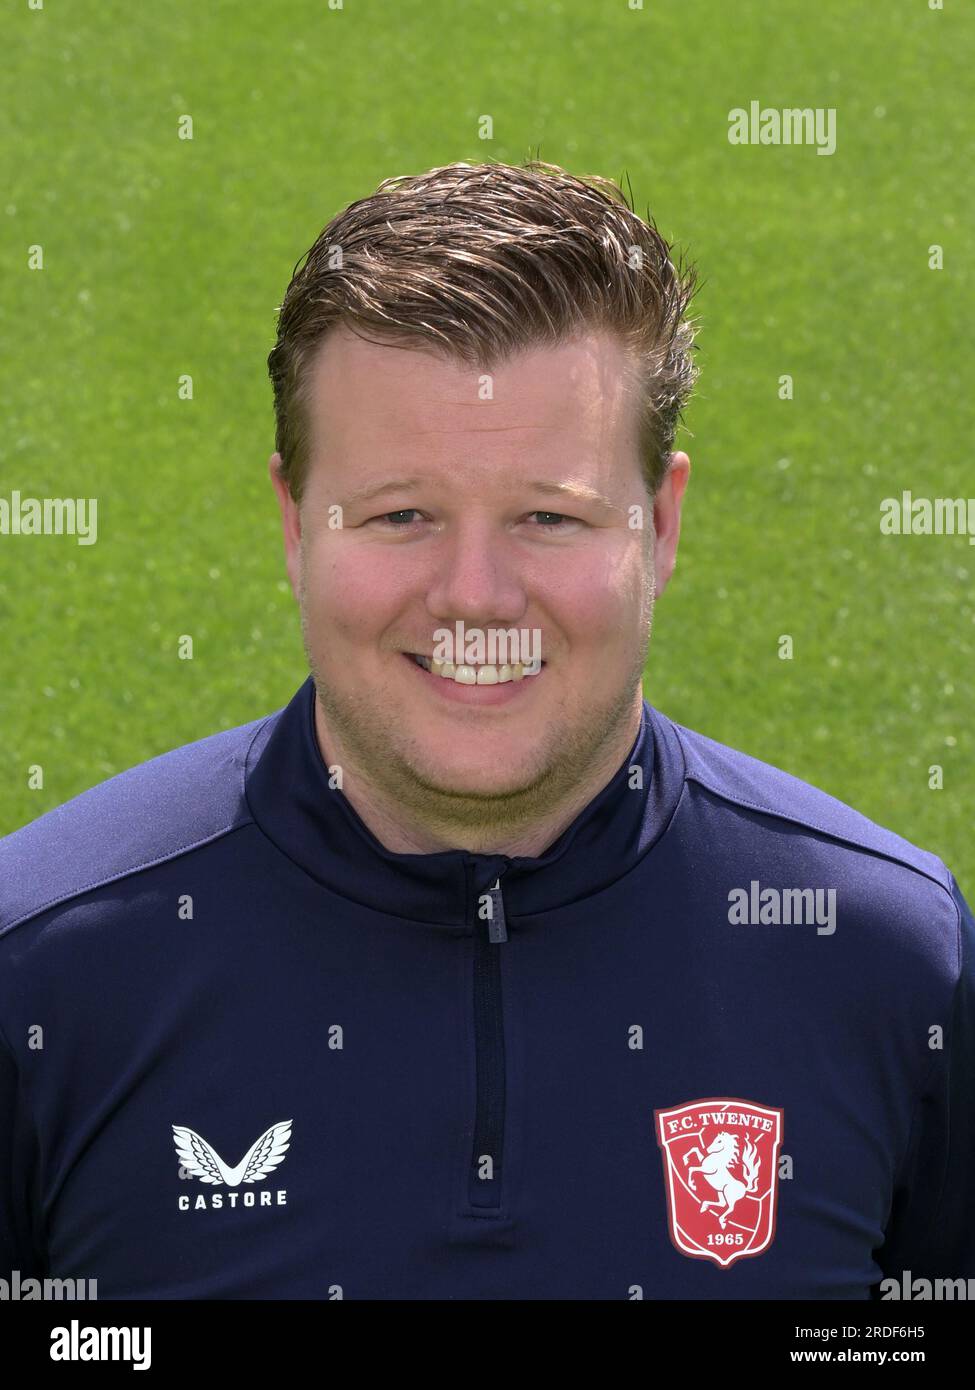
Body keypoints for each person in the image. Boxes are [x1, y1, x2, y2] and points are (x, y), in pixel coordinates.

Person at [1, 160, 971, 1300]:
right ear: (292, 522)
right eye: (401, 513)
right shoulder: (42, 968)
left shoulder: (896, 964)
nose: (476, 595)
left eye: (548, 516)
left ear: (660, 527)